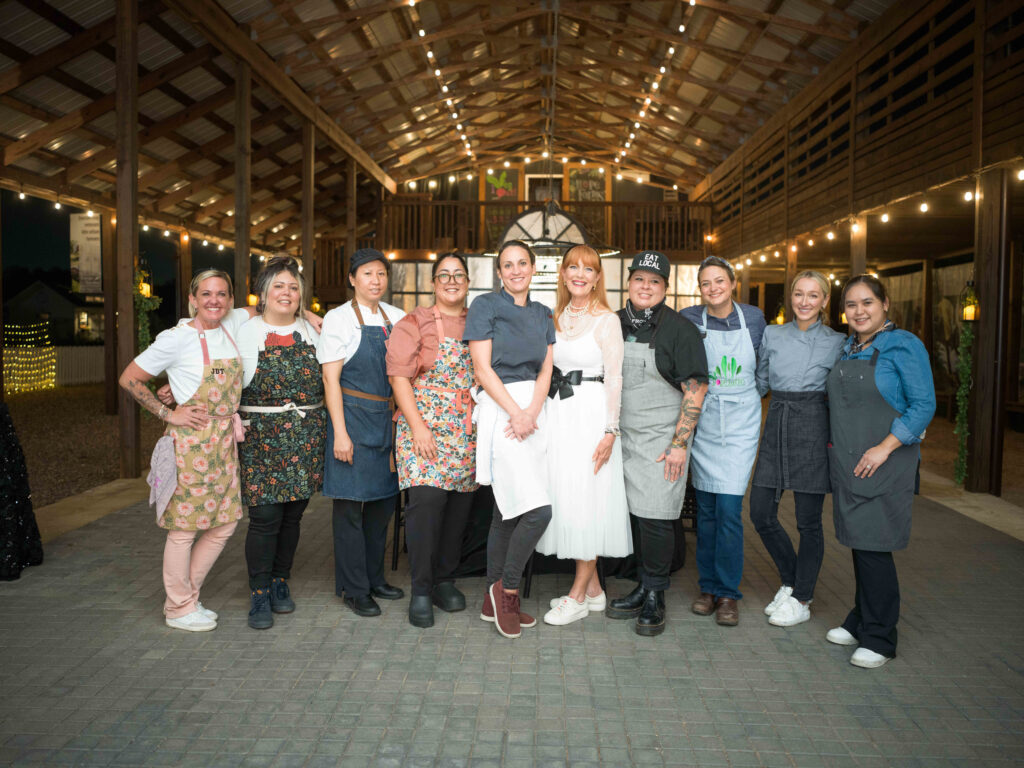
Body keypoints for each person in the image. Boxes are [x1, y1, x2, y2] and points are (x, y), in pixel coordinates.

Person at [119, 270, 251, 632]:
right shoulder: (176, 338)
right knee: (183, 529)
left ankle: (187, 598)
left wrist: (320, 316)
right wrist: (168, 411)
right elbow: (129, 377)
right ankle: (178, 607)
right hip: (190, 444)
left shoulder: (233, 325)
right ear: (192, 299)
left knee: (225, 522)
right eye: (206, 294)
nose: (214, 300)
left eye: (222, 294)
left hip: (224, 441)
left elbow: (269, 308)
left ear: (230, 300)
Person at [825, 275, 934, 668]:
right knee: (861, 541)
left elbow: (923, 405)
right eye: (851, 304)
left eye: (867, 302)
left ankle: (881, 637)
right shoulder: (848, 346)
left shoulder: (903, 344)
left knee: (874, 546)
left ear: (885, 303)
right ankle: (860, 618)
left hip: (885, 460)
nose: (859, 311)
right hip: (851, 461)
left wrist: (884, 448)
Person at [606, 251, 708, 636]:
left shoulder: (679, 329)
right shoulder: (612, 324)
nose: (645, 287)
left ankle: (655, 596)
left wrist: (680, 444)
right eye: (639, 280)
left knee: (656, 517)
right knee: (633, 515)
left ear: (665, 288)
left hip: (661, 439)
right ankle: (642, 585)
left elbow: (696, 389)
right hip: (620, 437)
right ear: (628, 283)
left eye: (655, 282)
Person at [536, 245, 631, 626]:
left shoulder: (607, 320)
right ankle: (594, 592)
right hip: (560, 412)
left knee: (590, 499)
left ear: (596, 278)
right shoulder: (554, 317)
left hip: (593, 414)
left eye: (588, 269)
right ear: (562, 274)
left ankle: (576, 596)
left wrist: (610, 431)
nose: (579, 274)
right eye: (572, 267)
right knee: (570, 498)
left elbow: (615, 378)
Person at [465, 240, 555, 639]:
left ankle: (490, 598)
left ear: (533, 268)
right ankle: (508, 592)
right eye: (508, 265)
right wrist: (516, 413)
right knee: (538, 511)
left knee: (508, 511)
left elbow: (546, 370)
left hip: (535, 412)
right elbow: (482, 370)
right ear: (499, 272)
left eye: (523, 263)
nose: (516, 270)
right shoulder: (485, 306)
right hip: (501, 408)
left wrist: (532, 412)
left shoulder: (543, 313)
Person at [387, 253, 478, 628]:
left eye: (459, 275)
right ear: (433, 282)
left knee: (457, 510)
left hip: (465, 427)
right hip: (420, 425)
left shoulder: (480, 322)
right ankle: (421, 589)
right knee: (426, 503)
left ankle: (444, 580)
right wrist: (419, 427)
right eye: (444, 275)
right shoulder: (414, 322)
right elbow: (398, 377)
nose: (451, 280)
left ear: (469, 282)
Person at [751, 271, 844, 627]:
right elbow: (759, 383)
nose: (805, 302)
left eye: (813, 295)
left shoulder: (837, 342)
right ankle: (792, 581)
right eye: (799, 294)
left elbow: (842, 394)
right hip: (777, 419)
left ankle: (802, 597)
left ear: (824, 301)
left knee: (808, 522)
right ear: (791, 298)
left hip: (813, 424)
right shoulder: (773, 334)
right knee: (760, 513)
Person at [236, 256, 325, 629]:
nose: (286, 293)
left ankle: (279, 581)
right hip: (261, 436)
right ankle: (258, 592)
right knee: (265, 517)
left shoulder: (315, 329)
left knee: (292, 516)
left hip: (306, 434)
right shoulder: (242, 329)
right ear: (263, 293)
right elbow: (200, 324)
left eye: (293, 287)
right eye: (278, 286)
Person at [318, 248, 406, 617]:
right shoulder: (338, 319)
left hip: (387, 421)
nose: (376, 280)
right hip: (351, 418)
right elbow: (330, 379)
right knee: (351, 510)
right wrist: (340, 433)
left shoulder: (397, 317)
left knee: (382, 507)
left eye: (381, 274)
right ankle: (353, 589)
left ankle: (374, 578)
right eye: (368, 274)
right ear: (352, 279)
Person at [682, 255, 766, 626]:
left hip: (742, 420)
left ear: (733, 282)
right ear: (699, 289)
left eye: (720, 281)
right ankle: (708, 588)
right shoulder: (689, 319)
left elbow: (763, 368)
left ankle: (729, 593)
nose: (713, 288)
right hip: (706, 419)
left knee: (730, 510)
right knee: (708, 512)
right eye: (705, 284)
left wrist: (745, 396)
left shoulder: (754, 318)